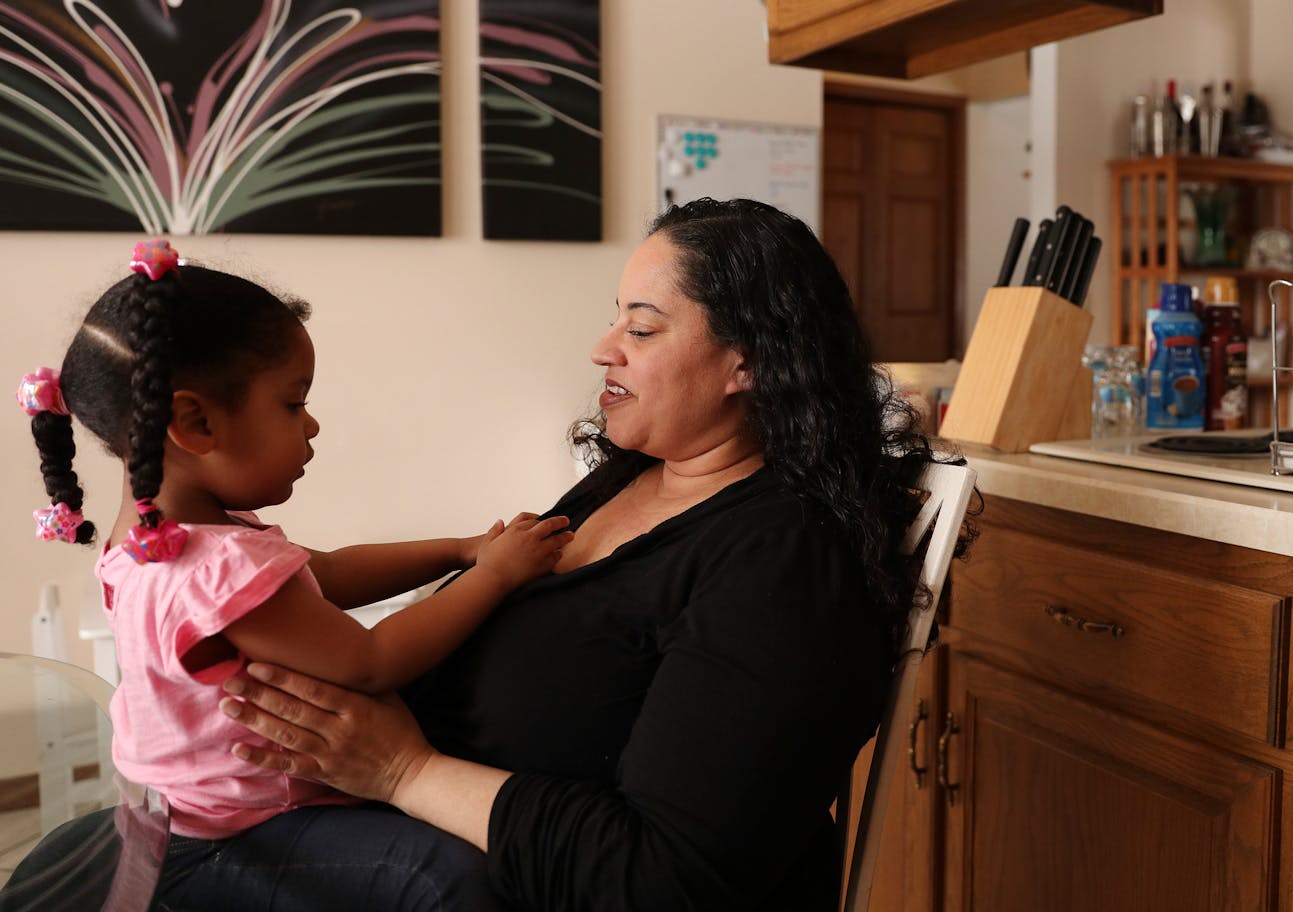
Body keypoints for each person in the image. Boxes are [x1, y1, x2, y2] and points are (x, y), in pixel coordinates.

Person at [211, 197, 960, 911]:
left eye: (642, 328)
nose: (603, 349)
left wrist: (404, 771)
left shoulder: (787, 567)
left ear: (749, 361)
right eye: (616, 321)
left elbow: (662, 880)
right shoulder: (634, 475)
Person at [14, 239, 572, 909]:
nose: (311, 425)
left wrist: (458, 550)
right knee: (450, 879)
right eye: (291, 403)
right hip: (239, 833)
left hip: (194, 813)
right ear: (194, 421)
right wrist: (498, 577)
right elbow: (370, 661)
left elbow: (325, 573)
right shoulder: (207, 569)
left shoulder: (161, 540)